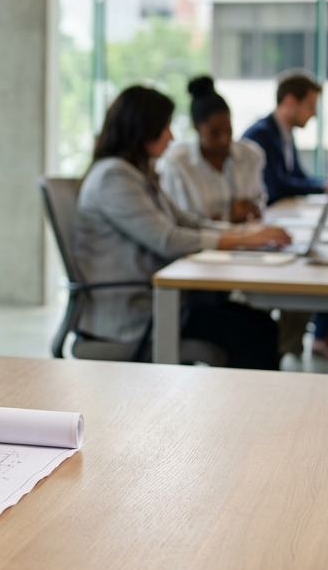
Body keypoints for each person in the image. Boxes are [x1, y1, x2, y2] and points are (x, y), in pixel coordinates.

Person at [73, 85, 287, 369]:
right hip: (133, 312)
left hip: (158, 300)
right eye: (164, 127)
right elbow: (168, 240)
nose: (171, 136)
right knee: (255, 331)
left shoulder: (137, 172)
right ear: (142, 129)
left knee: (255, 323)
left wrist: (246, 234)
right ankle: (248, 412)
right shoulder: (114, 177)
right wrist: (242, 241)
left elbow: (188, 221)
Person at [242, 70, 328, 359]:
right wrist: (321, 185)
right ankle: (296, 343)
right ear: (290, 101)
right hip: (265, 223)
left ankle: (312, 337)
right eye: (310, 106)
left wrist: (320, 183)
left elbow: (297, 176)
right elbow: (278, 184)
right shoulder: (261, 134)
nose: (314, 115)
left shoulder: (283, 134)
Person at [159, 75, 266, 224]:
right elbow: (179, 222)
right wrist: (227, 217)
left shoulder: (250, 155)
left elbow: (259, 202)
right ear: (196, 128)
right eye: (214, 133)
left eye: (228, 131)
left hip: (249, 238)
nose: (224, 140)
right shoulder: (178, 163)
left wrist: (252, 208)